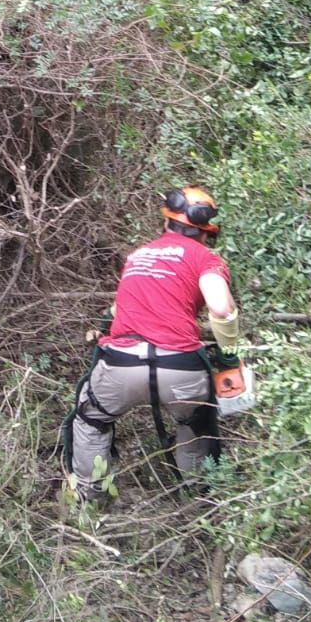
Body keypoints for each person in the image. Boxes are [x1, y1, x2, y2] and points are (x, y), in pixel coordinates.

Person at [68, 187, 242, 498]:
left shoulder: (138, 256)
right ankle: (198, 499)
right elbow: (221, 308)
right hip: (181, 368)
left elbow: (118, 309)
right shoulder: (205, 258)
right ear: (208, 232)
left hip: (122, 365)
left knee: (91, 418)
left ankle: (90, 497)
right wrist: (229, 356)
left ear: (166, 222)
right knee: (194, 424)